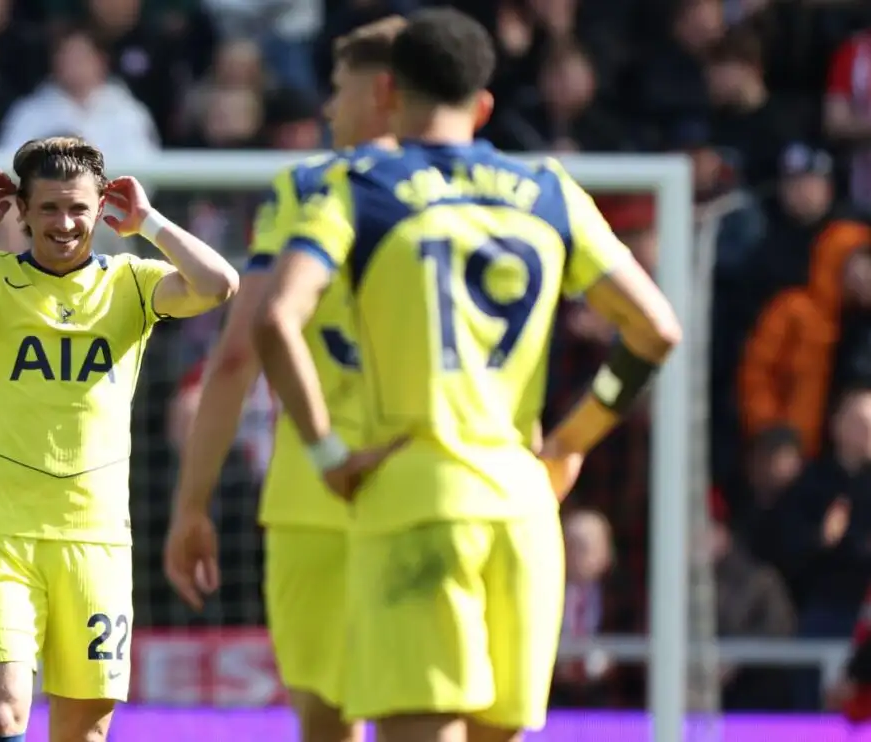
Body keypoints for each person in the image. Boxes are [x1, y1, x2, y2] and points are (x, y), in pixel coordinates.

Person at [252, 9, 682, 742]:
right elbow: (656, 330)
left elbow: (274, 319)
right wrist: (570, 441)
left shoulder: (357, 189)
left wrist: (326, 452)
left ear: (386, 93)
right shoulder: (550, 191)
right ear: (482, 105)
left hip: (416, 501)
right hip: (521, 509)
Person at [0, 136, 238, 742]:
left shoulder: (131, 283)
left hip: (96, 541)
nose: (65, 223)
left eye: (79, 208)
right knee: (3, 714)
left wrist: (148, 222)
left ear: (101, 208)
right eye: (49, 208)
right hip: (5, 538)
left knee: (82, 733)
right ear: (23, 211)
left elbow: (219, 284)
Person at [163, 16, 406, 742]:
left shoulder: (312, 188)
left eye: (340, 89)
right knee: (434, 715)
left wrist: (192, 504)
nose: (329, 108)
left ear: (382, 92)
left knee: (327, 723)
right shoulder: (500, 192)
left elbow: (240, 352)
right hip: (441, 482)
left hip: (316, 490)